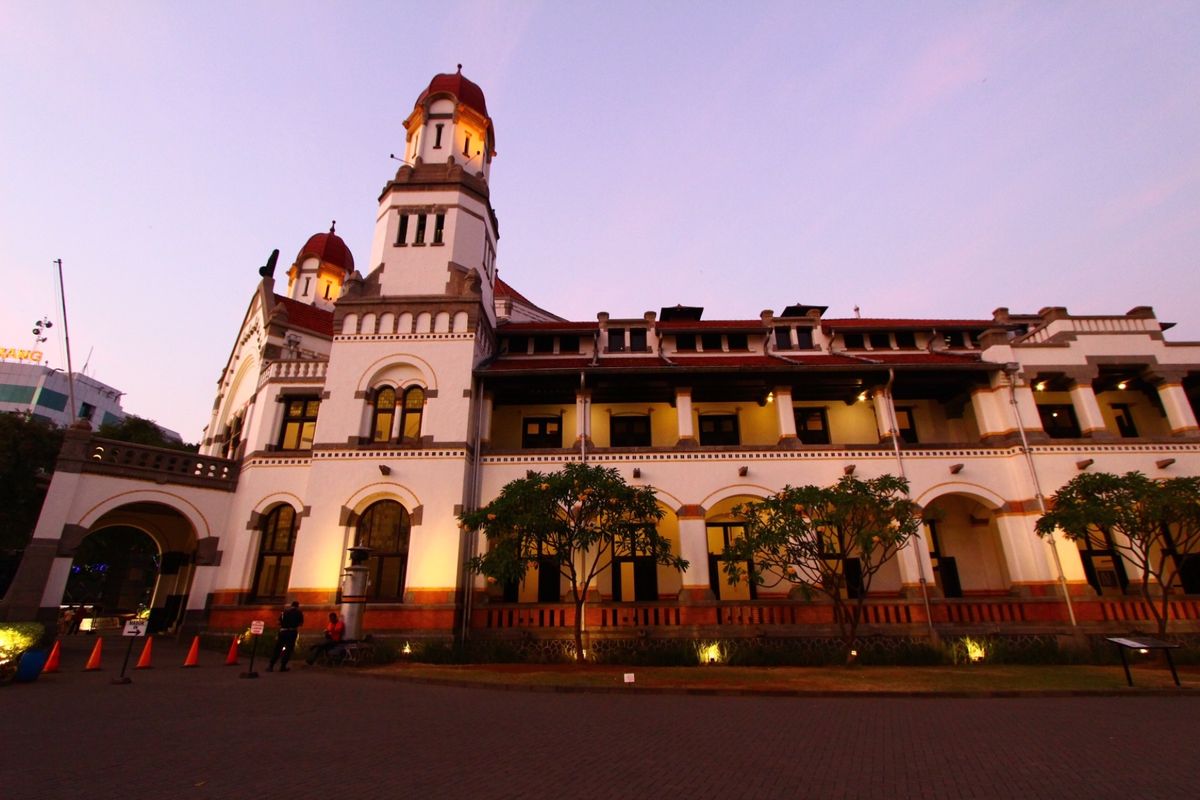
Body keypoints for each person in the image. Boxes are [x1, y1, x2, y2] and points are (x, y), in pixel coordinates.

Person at [267, 600, 304, 672]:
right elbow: (300, 624)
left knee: (278, 648)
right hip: (292, 632)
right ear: (297, 606)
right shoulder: (299, 613)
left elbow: (278, 622)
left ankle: (271, 666)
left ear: (291, 605)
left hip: (283, 631)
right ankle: (283, 666)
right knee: (288, 649)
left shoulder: (284, 612)